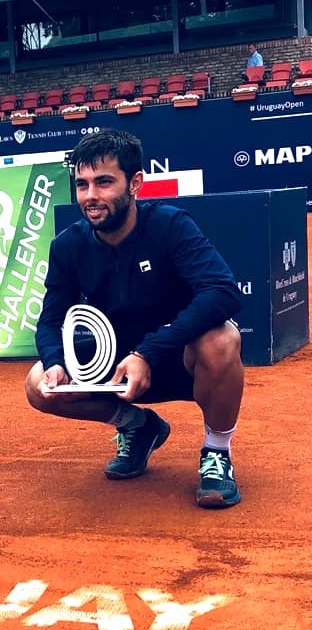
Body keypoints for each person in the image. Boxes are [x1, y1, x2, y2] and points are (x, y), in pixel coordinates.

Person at [24, 128, 244, 509]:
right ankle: (138, 427)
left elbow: (222, 291)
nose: (90, 197)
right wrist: (56, 363)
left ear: (135, 182)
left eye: (104, 182)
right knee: (36, 384)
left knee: (222, 339)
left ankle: (216, 453)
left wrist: (147, 352)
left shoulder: (171, 225)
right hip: (113, 371)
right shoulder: (67, 245)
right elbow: (50, 321)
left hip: (178, 359)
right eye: (82, 184)